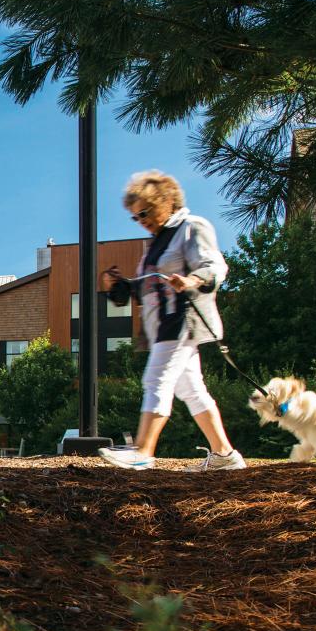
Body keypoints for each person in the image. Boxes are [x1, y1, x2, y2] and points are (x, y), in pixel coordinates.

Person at [99, 171, 246, 471]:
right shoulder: (157, 241)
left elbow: (214, 266)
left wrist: (192, 279)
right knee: (192, 390)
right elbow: (151, 283)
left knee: (155, 380)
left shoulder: (192, 227)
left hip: (182, 320)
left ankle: (143, 450)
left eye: (145, 212)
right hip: (162, 325)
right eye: (135, 216)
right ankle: (225, 455)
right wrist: (122, 286)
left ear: (167, 202)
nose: (141, 220)